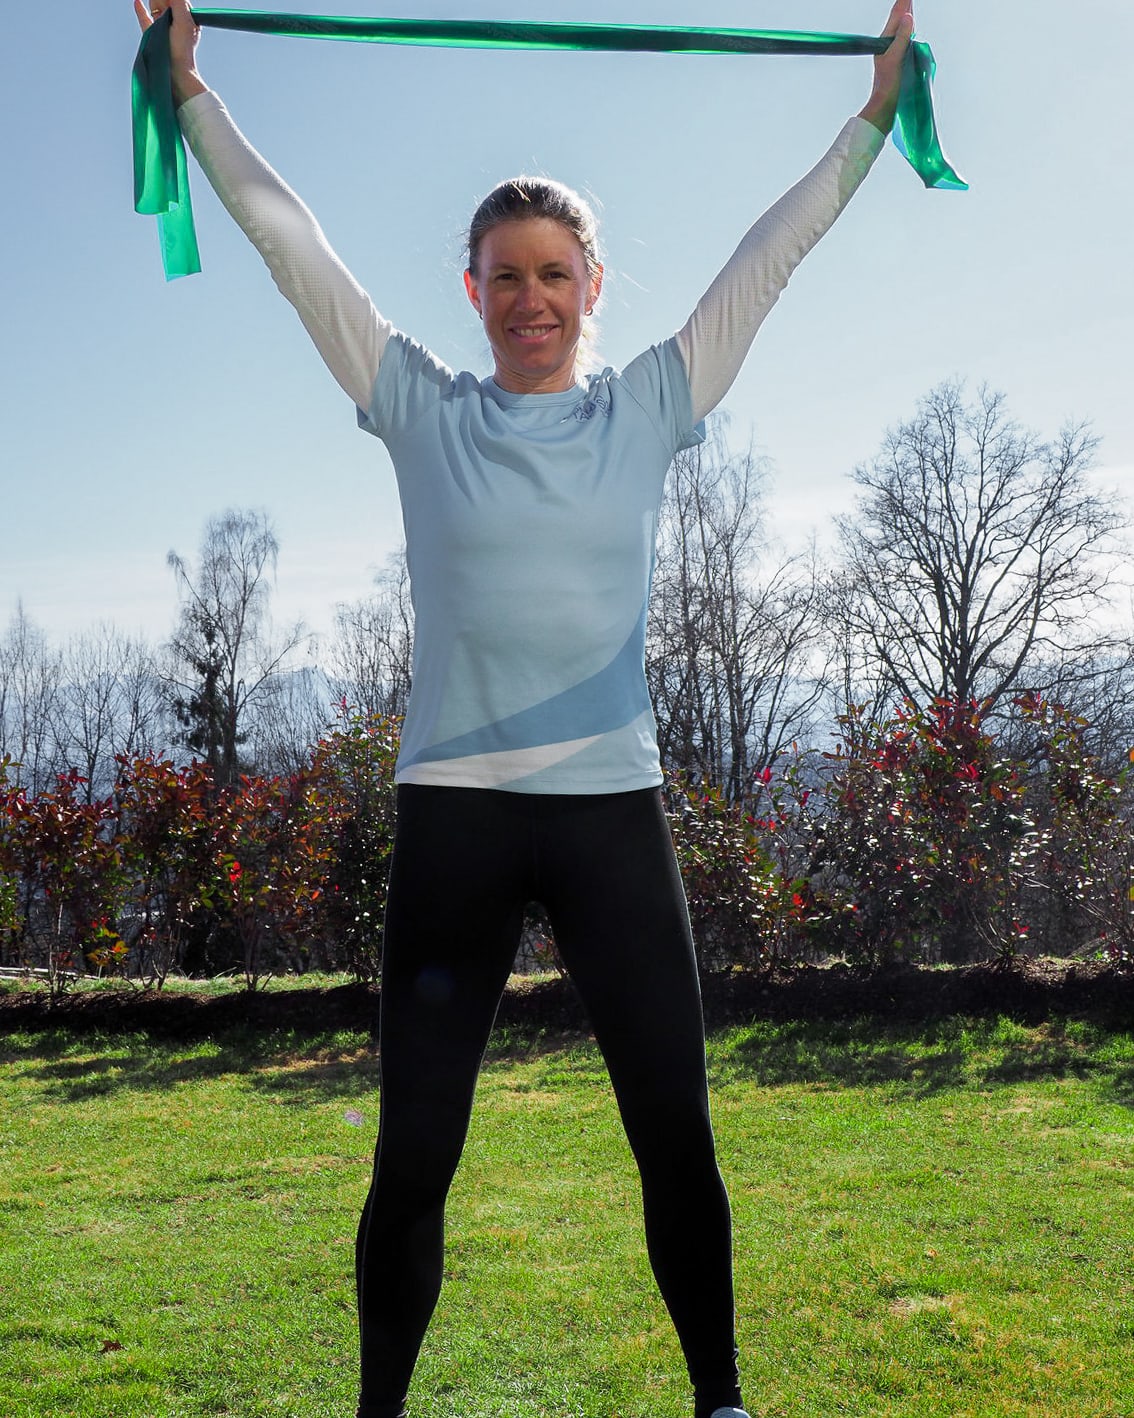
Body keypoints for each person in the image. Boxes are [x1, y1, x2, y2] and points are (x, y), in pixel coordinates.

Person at [133, 3, 915, 1414]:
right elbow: (288, 242)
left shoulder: (652, 406)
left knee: (673, 1126)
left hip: (612, 816)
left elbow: (768, 259)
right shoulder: (420, 407)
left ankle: (720, 1397)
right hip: (458, 826)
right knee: (413, 1150)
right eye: (505, 276)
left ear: (591, 284)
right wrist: (192, 100)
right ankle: (378, 1407)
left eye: (554, 274)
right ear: (473, 289)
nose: (531, 297)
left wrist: (867, 122)